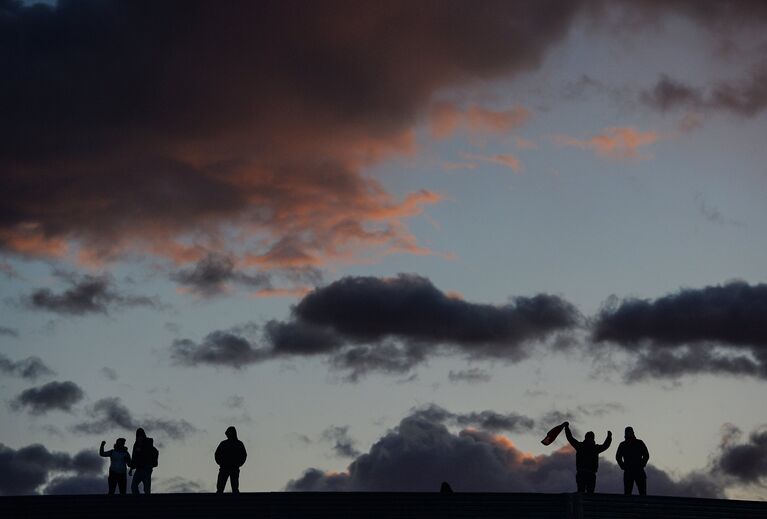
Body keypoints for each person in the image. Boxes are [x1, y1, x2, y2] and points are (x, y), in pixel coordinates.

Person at [563, 422, 612, 493]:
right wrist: (609, 437)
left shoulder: (582, 446)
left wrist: (609, 437)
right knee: (584, 493)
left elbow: (570, 439)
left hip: (587, 473)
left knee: (585, 493)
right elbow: (570, 438)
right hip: (585, 473)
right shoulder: (589, 447)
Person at [615, 426, 650, 495]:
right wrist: (623, 466)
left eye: (629, 432)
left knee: (642, 492)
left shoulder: (639, 443)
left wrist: (642, 464)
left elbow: (646, 455)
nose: (628, 434)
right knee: (628, 492)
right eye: (627, 432)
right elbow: (618, 457)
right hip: (629, 471)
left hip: (638, 470)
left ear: (633, 433)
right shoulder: (623, 444)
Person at [215, 426, 247, 493]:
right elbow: (217, 454)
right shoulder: (224, 444)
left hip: (234, 468)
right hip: (224, 467)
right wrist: (221, 463)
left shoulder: (239, 444)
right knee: (220, 487)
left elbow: (243, 455)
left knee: (235, 487)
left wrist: (238, 464)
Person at [129, 428, 158, 494]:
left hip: (146, 468)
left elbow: (152, 453)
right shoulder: (136, 444)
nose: (139, 437)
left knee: (147, 488)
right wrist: (131, 468)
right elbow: (134, 457)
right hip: (139, 468)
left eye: (140, 435)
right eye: (138, 436)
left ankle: (147, 502)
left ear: (143, 435)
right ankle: (138, 500)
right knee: (134, 486)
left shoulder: (148, 443)